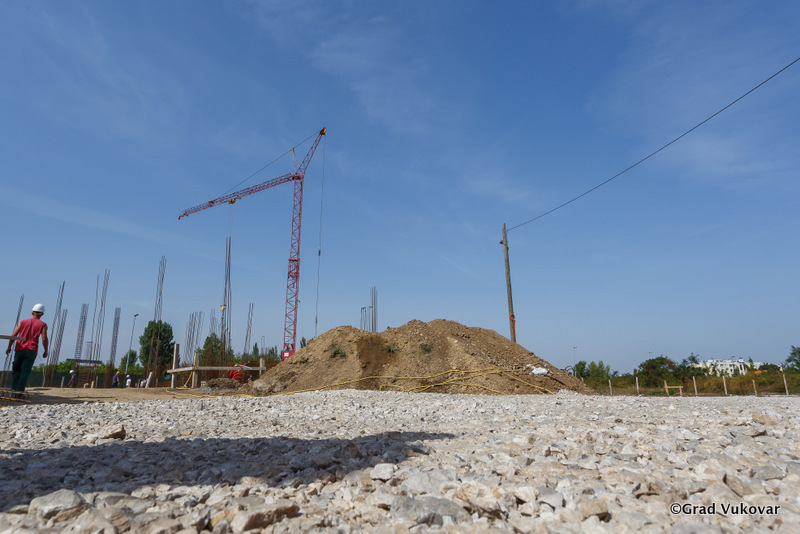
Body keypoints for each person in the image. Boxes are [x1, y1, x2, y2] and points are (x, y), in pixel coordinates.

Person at [6, 304, 49, 395]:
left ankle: (14, 389)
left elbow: (13, 335)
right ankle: (19, 391)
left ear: (32, 312)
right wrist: (46, 350)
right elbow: (44, 338)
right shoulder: (43, 325)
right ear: (42, 314)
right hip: (31, 351)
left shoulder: (22, 322)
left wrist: (9, 347)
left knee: (16, 370)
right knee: (25, 371)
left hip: (19, 349)